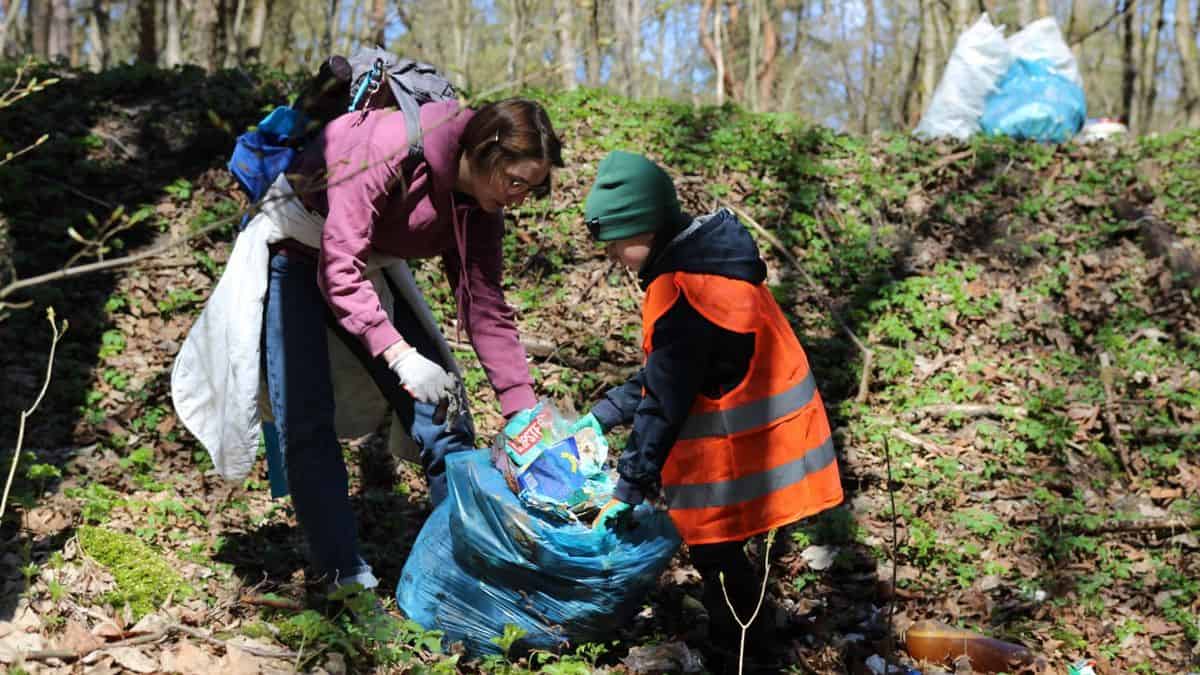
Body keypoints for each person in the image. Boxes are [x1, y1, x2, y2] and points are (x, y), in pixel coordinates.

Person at [264, 98, 562, 592]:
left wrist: (522, 412)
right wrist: (400, 355)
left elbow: (484, 305)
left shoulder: (482, 205)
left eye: (532, 189)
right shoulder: (389, 147)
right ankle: (343, 574)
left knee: (444, 414)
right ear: (485, 152)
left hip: (370, 268)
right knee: (306, 417)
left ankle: (463, 565)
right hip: (295, 254)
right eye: (515, 182)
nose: (519, 198)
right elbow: (338, 270)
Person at [575, 151, 843, 663]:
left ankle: (745, 654)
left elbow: (667, 399)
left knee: (716, 551)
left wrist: (629, 483)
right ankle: (752, 637)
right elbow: (672, 372)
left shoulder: (682, 291)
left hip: (746, 451)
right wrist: (607, 411)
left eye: (614, 245)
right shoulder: (708, 267)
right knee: (725, 554)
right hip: (771, 438)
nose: (612, 257)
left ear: (644, 229)